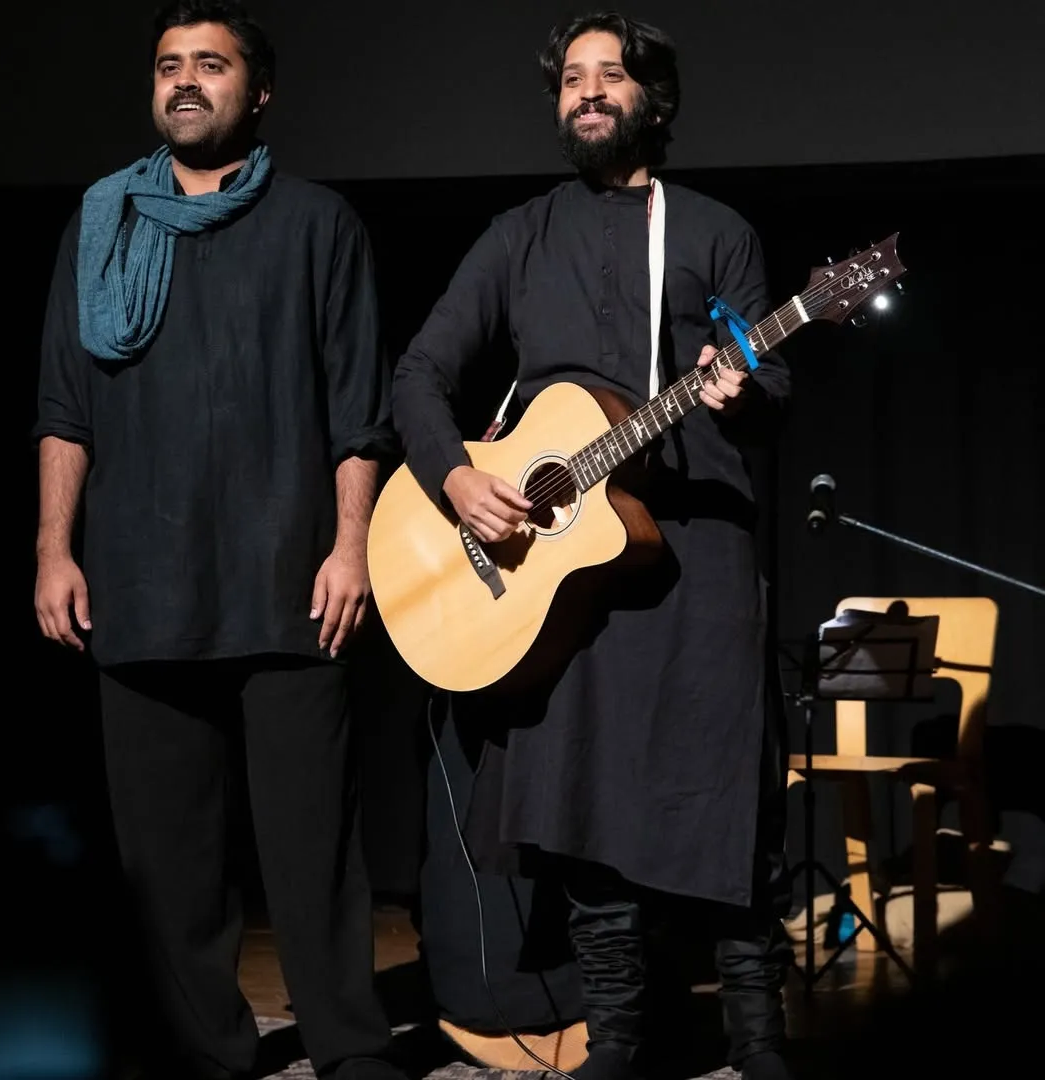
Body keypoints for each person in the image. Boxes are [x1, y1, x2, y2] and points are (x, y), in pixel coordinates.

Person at [392, 11, 794, 1080]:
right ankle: (616, 1046)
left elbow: (774, 381)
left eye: (609, 76)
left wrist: (740, 386)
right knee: (576, 807)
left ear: (651, 99)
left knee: (725, 810)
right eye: (571, 79)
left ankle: (760, 1045)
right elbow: (418, 374)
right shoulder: (520, 235)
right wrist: (461, 477)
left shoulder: (713, 230)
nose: (587, 94)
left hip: (696, 555)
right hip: (562, 574)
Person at [31, 3, 403, 1078]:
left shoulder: (317, 225)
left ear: (260, 88)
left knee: (313, 851)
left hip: (288, 582)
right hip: (140, 585)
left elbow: (356, 413)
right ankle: (206, 1052)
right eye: (168, 66)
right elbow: (65, 408)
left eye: (210, 64)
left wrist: (350, 547)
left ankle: (351, 1052)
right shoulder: (105, 223)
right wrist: (55, 549)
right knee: (169, 860)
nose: (185, 81)